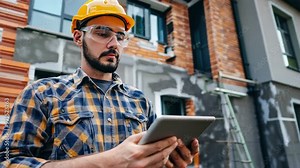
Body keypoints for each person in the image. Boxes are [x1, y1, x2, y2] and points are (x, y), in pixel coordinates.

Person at [0, 0, 199, 167]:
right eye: (103, 33)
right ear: (78, 37)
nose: (114, 44)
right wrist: (110, 161)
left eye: (120, 36)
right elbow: (8, 162)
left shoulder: (139, 100)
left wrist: (168, 158)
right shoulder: (42, 93)